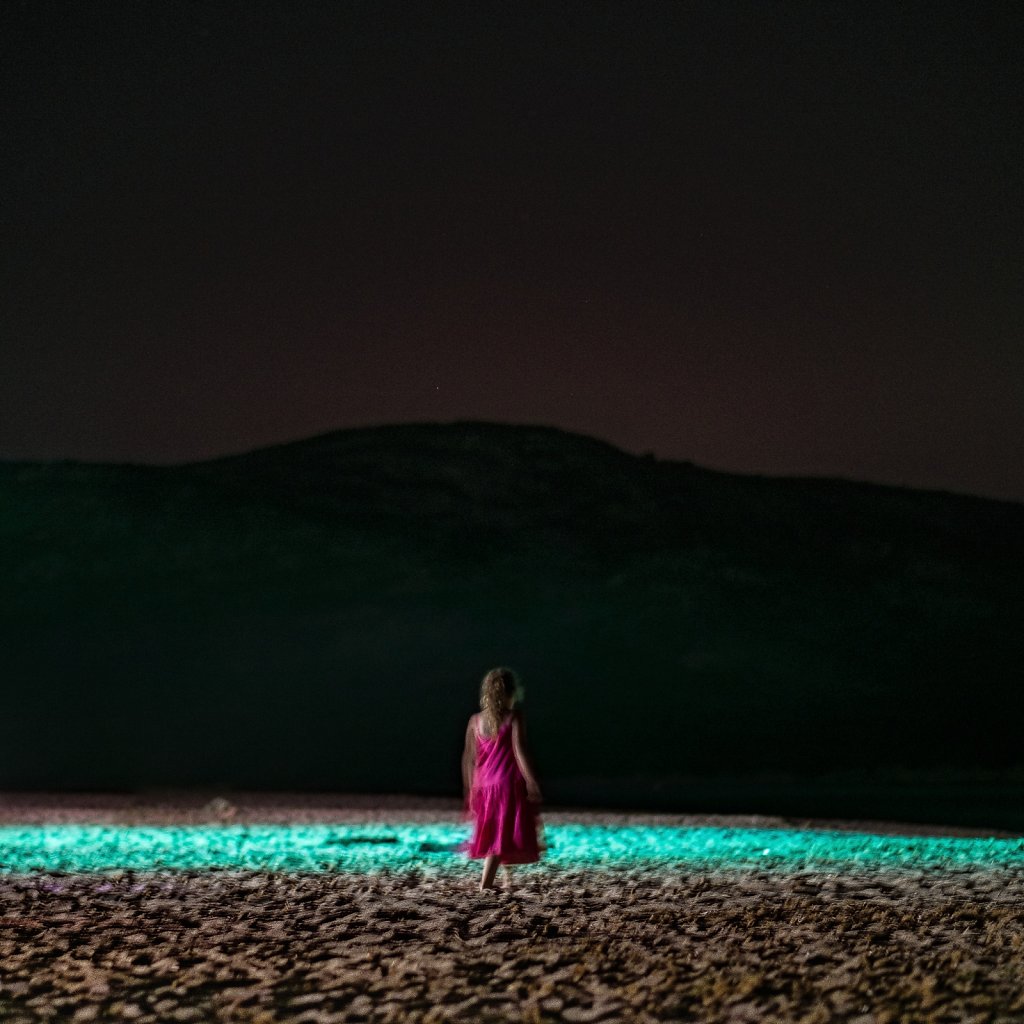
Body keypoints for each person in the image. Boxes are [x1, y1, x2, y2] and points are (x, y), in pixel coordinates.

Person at [460, 666, 544, 891]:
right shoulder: (514, 717)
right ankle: (485, 884)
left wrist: (471, 787)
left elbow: (470, 759)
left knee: (500, 831)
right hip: (507, 784)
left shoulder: (475, 721)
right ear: (510, 692)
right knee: (501, 835)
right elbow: (520, 751)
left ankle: (506, 879)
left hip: (484, 786)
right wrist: (531, 780)